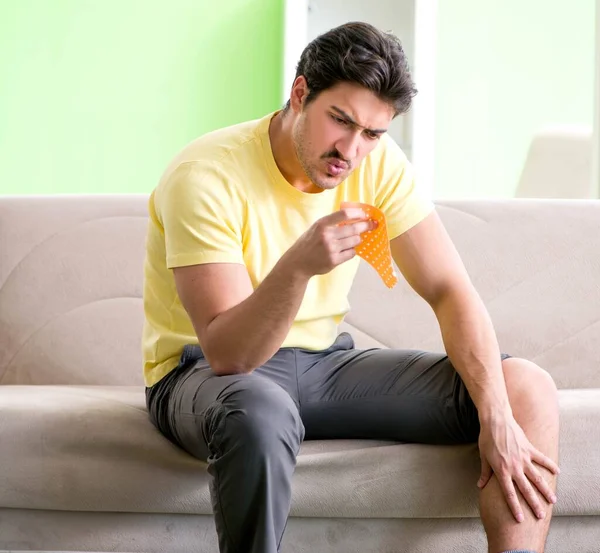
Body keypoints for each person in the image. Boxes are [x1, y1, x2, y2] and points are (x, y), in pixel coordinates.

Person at [142, 21, 560, 553]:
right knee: (260, 409)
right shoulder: (206, 174)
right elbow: (228, 354)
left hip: (321, 366)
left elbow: (451, 290)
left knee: (524, 386)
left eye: (373, 133)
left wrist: (496, 413)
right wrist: (298, 268)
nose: (351, 150)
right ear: (299, 93)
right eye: (339, 120)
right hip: (203, 373)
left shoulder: (376, 164)